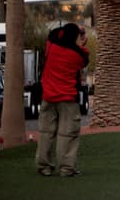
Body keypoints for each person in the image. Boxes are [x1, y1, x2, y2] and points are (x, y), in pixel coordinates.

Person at [35, 22, 89, 177]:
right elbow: (84, 59)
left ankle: (44, 166)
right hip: (67, 99)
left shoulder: (51, 45)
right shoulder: (77, 54)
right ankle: (66, 168)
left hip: (48, 97)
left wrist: (71, 29)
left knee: (46, 132)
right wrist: (81, 42)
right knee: (68, 134)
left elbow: (53, 32)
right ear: (75, 38)